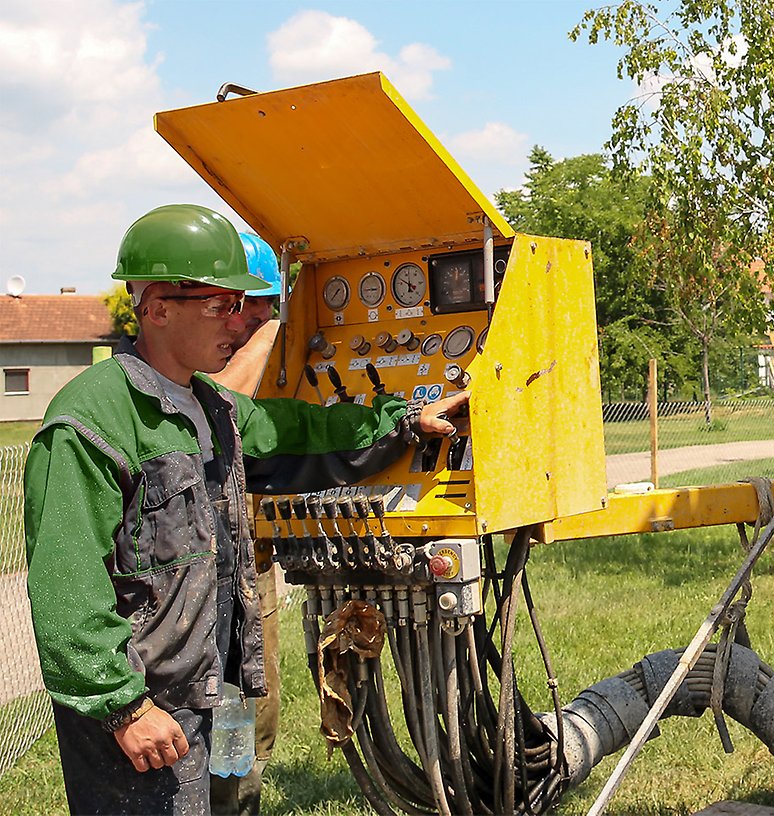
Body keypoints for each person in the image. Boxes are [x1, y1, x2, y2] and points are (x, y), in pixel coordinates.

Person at [23, 204, 468, 815]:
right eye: (222, 306)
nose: (242, 323)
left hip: (209, 694)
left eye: (244, 305)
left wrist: (404, 422)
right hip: (143, 719)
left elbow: (303, 434)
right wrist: (124, 706)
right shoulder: (92, 421)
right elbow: (68, 593)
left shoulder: (213, 410)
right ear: (155, 308)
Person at [208, 233, 283, 816]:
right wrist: (266, 338)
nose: (255, 319)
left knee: (254, 717)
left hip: (253, 567)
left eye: (267, 306)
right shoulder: (198, 375)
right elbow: (220, 407)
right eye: (246, 304)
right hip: (192, 588)